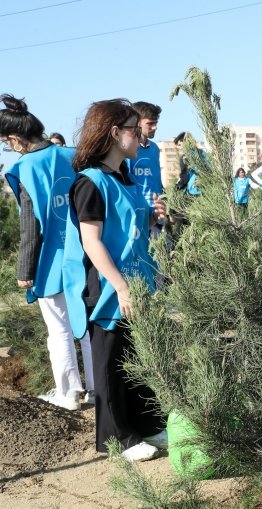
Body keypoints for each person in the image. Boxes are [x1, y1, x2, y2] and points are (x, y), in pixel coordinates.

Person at [63, 98, 168, 462]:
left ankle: (148, 424)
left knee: (138, 357)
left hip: (139, 284)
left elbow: (132, 231)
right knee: (111, 364)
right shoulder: (90, 183)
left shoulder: (123, 178)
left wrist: (155, 219)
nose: (140, 135)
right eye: (132, 129)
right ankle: (117, 437)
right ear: (113, 133)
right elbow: (91, 242)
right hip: (109, 289)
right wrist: (121, 287)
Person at [1, 94, 94, 411]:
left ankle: (68, 393)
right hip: (86, 253)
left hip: (52, 261)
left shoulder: (26, 167)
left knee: (59, 330)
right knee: (88, 327)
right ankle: (97, 391)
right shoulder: (72, 155)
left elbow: (31, 223)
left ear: (15, 139)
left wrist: (24, 271)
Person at [129, 102, 164, 240]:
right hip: (138, 214)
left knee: (158, 257)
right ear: (137, 122)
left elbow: (156, 180)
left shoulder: (154, 148)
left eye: (156, 123)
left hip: (157, 212)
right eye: (150, 123)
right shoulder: (128, 150)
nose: (154, 127)